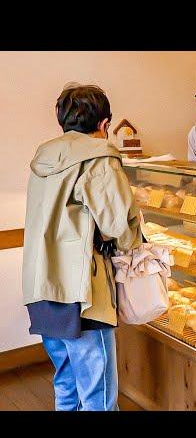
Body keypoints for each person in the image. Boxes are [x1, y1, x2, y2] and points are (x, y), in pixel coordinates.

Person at [22, 83, 142, 411]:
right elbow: (118, 224)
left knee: (66, 381)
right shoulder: (99, 157)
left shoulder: (45, 157)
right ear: (104, 124)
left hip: (42, 287)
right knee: (98, 395)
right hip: (82, 293)